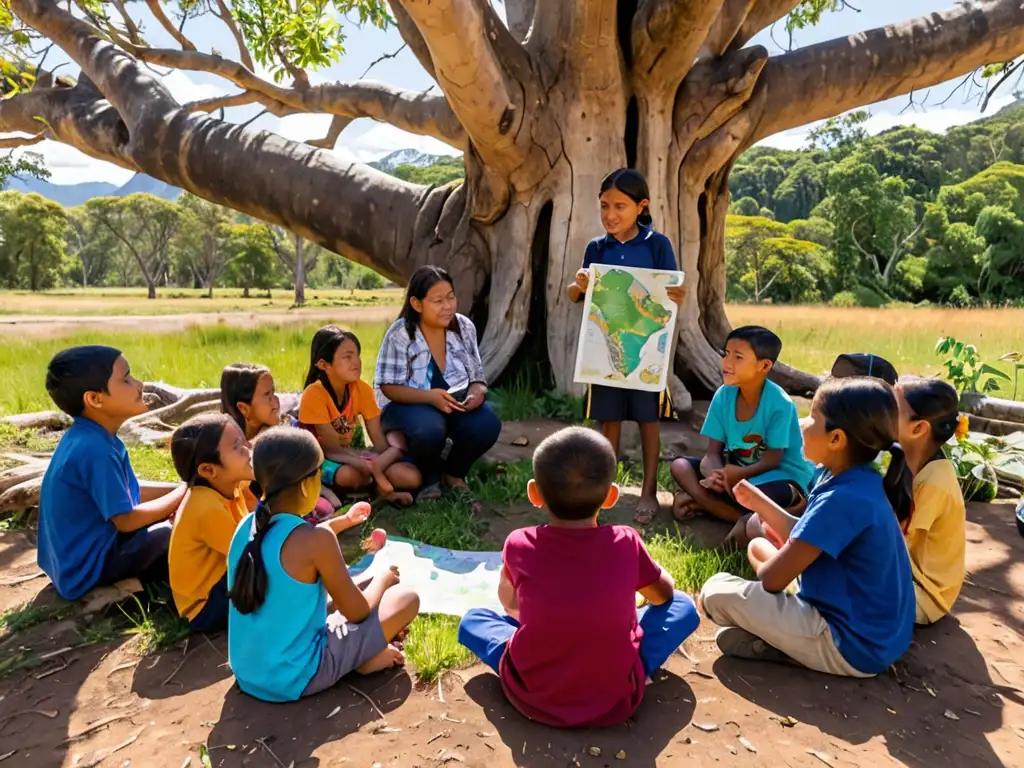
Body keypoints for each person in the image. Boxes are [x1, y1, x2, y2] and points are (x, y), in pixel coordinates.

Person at [457, 427, 699, 728]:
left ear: (534, 493)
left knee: (474, 620)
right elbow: (663, 597)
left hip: (531, 694)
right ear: (611, 496)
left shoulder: (519, 543)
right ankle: (629, 665)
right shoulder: (626, 541)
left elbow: (510, 605)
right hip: (616, 698)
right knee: (684, 608)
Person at [700, 377, 916, 677]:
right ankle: (782, 636)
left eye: (813, 418)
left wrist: (783, 560)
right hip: (877, 634)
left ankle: (792, 648)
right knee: (757, 544)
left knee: (715, 592)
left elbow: (772, 580)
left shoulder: (842, 498)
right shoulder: (855, 478)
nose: (803, 424)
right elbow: (807, 531)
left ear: (836, 439)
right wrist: (760, 503)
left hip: (850, 645)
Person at [227, 427, 419, 702]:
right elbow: (357, 612)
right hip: (297, 676)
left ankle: (359, 654)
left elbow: (290, 542)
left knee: (356, 584)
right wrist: (383, 578)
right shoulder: (318, 540)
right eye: (320, 472)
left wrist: (344, 521)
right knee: (404, 598)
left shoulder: (246, 527)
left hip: (250, 673)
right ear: (307, 484)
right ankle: (360, 661)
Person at [566, 168, 685, 524]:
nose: (610, 215)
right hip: (606, 352)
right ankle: (604, 488)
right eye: (604, 206)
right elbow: (575, 296)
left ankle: (649, 491)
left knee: (649, 422)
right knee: (609, 421)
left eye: (620, 206)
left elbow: (671, 293)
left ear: (641, 206)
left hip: (646, 353)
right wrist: (580, 284)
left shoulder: (656, 245)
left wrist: (678, 294)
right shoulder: (596, 247)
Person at [37, 346, 187, 601]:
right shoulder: (95, 450)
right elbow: (126, 520)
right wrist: (185, 492)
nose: (139, 384)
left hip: (72, 561)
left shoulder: (89, 436)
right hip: (87, 568)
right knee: (168, 535)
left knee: (172, 519)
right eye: (126, 379)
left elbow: (130, 491)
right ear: (95, 399)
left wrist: (181, 489)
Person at [374, 265, 502, 506]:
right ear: (417, 303)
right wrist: (430, 398)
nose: (448, 306)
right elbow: (388, 387)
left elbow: (477, 377)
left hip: (452, 402)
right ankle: (429, 478)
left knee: (487, 424)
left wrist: (477, 392)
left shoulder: (464, 327)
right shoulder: (400, 333)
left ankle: (453, 473)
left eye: (451, 297)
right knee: (430, 427)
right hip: (403, 405)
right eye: (438, 300)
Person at [671, 326, 813, 532]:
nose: (727, 363)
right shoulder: (724, 395)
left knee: (753, 492)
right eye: (726, 354)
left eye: (738, 357)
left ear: (763, 366)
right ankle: (731, 512)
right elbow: (711, 453)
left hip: (778, 475)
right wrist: (715, 475)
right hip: (735, 473)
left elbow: (773, 460)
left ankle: (706, 505)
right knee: (680, 467)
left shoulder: (779, 403)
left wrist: (737, 475)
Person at [299, 326, 420, 507]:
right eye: (347, 357)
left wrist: (387, 455)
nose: (356, 362)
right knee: (351, 475)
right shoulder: (314, 393)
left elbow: (378, 441)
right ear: (324, 365)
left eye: (357, 355)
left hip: (351, 456)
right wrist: (370, 465)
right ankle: (373, 491)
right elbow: (330, 450)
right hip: (318, 459)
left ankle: (374, 491)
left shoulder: (362, 389)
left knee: (412, 477)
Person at [889, 377, 967, 625]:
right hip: (907, 577)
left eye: (892, 409)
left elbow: (896, 545)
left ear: (919, 428)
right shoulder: (908, 459)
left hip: (925, 597)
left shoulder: (934, 481)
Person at [168, 414, 256, 633]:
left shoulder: (227, 486)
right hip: (204, 607)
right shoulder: (206, 508)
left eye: (244, 442)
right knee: (275, 573)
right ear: (208, 470)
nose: (248, 449)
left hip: (221, 578)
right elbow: (249, 553)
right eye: (237, 447)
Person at [220, 362, 281, 442]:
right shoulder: (224, 444)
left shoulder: (284, 428)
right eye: (267, 394)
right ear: (244, 408)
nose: (276, 400)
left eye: (273, 392)